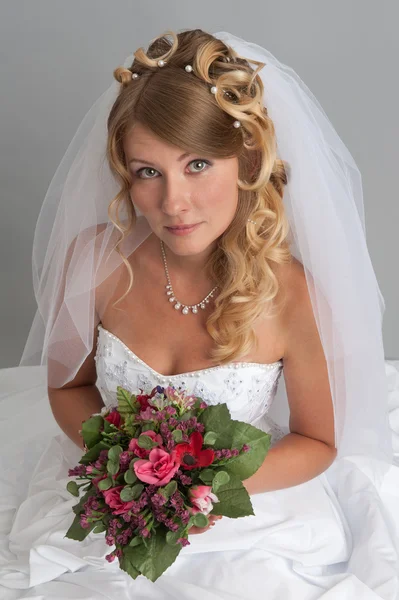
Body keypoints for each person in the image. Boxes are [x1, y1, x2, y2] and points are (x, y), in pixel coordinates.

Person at [0, 28, 398, 600]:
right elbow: (70, 389)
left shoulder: (289, 294)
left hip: (247, 512)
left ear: (245, 159)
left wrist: (198, 489)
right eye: (147, 171)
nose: (173, 202)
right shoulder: (94, 262)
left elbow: (318, 442)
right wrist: (123, 472)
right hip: (118, 499)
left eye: (198, 165)